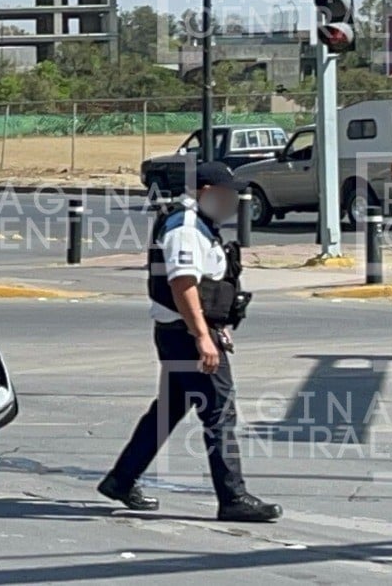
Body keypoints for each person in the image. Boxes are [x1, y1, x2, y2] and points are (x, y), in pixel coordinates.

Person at [98, 162, 282, 523]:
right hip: (185, 334)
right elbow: (182, 285)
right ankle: (233, 498)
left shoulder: (199, 223)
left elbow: (206, 286)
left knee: (167, 411)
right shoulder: (184, 228)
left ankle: (121, 479)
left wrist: (215, 327)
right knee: (220, 413)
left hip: (182, 332)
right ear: (205, 192)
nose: (233, 201)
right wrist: (202, 337)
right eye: (226, 194)